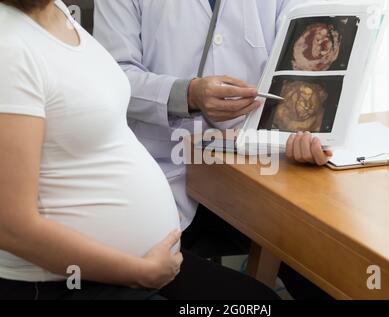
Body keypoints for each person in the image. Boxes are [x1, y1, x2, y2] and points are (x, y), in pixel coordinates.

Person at [0, 0, 280, 300]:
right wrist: (139, 272)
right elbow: (11, 226)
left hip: (146, 260)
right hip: (77, 280)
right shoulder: (10, 49)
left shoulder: (52, 12)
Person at [93, 0, 333, 300]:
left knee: (331, 275)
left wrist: (304, 134)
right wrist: (187, 94)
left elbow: (308, 58)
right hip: (163, 170)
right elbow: (112, 76)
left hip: (257, 168)